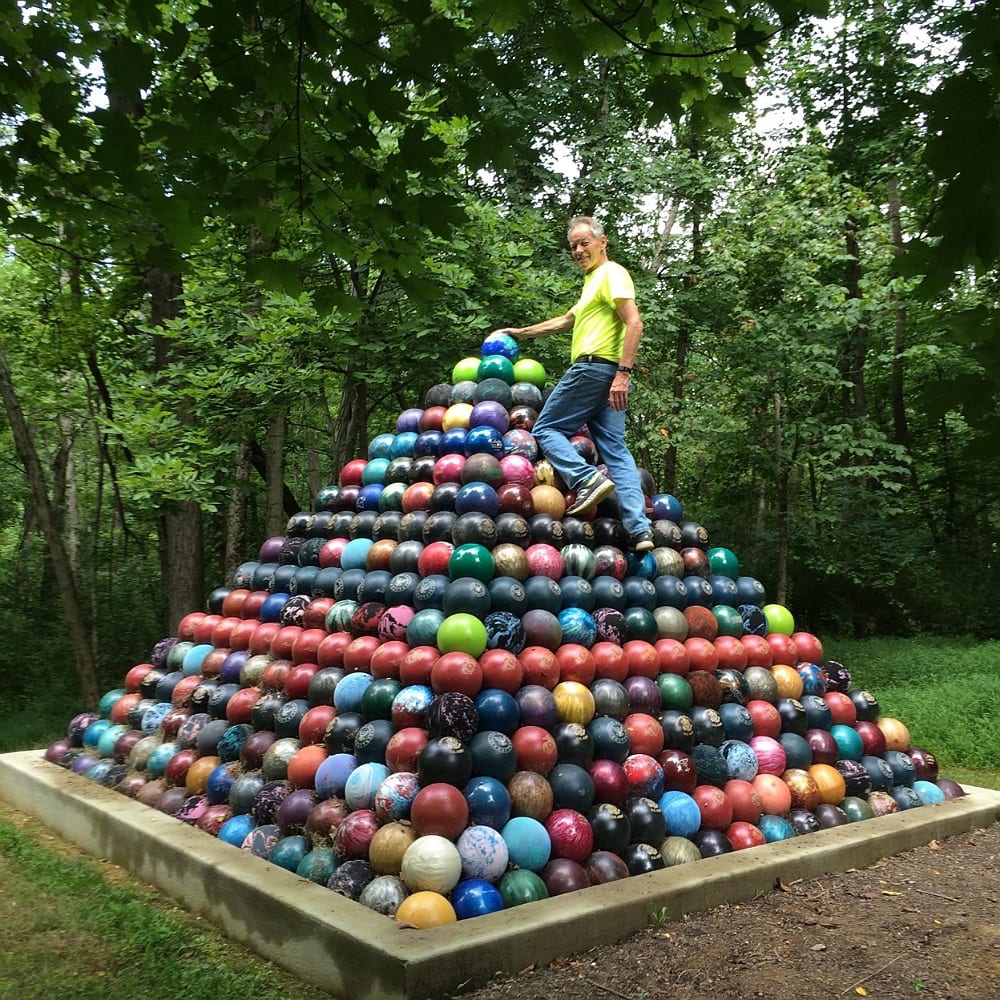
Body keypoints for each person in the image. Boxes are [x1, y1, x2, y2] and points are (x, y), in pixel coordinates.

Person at [493, 216, 654, 552]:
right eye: (574, 246)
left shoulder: (612, 274)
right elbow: (566, 321)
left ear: (602, 242)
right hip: (606, 375)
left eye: (585, 243)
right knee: (616, 451)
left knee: (546, 429)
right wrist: (518, 332)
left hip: (595, 369)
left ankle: (585, 479)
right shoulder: (593, 282)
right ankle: (641, 532)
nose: (579, 250)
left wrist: (623, 373)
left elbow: (635, 323)